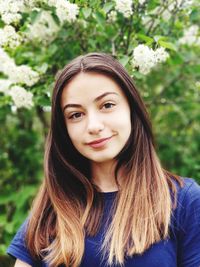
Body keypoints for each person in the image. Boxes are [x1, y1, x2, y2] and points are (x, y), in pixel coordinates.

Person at [7, 52, 200, 267]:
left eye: (107, 105)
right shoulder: (50, 209)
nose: (93, 126)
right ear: (65, 129)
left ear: (131, 108)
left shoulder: (183, 201)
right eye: (76, 115)